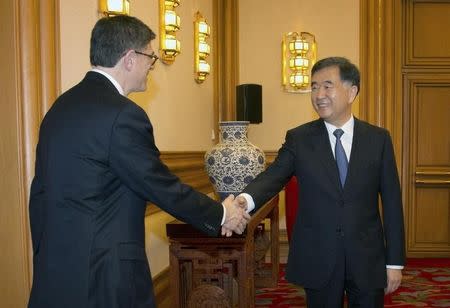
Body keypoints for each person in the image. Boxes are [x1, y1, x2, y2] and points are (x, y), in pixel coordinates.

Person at [28, 15, 250, 308]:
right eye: (150, 57)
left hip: (55, 274)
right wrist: (222, 214)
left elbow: (39, 195)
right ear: (130, 58)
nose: (151, 66)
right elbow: (160, 185)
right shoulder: (123, 115)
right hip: (106, 279)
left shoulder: (58, 108)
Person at [235, 57, 405, 307]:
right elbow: (273, 177)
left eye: (327, 85)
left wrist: (394, 262)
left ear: (351, 92)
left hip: (367, 259)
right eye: (314, 87)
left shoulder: (378, 139)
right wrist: (242, 201)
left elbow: (391, 203)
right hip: (319, 257)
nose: (319, 94)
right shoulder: (299, 139)